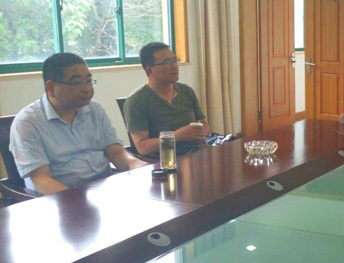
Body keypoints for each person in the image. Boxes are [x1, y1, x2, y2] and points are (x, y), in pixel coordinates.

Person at [10, 53, 147, 194]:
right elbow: (42, 179)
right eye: (77, 83)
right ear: (51, 87)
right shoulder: (27, 122)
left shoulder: (94, 109)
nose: (87, 88)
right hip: (60, 198)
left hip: (103, 187)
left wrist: (135, 164)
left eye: (88, 81)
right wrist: (78, 200)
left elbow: (115, 151)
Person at [124, 42, 210, 157]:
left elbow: (204, 124)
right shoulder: (137, 101)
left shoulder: (186, 91)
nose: (174, 66)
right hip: (165, 160)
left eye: (175, 60)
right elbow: (142, 147)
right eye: (167, 62)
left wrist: (200, 133)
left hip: (198, 153)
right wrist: (177, 136)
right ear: (150, 70)